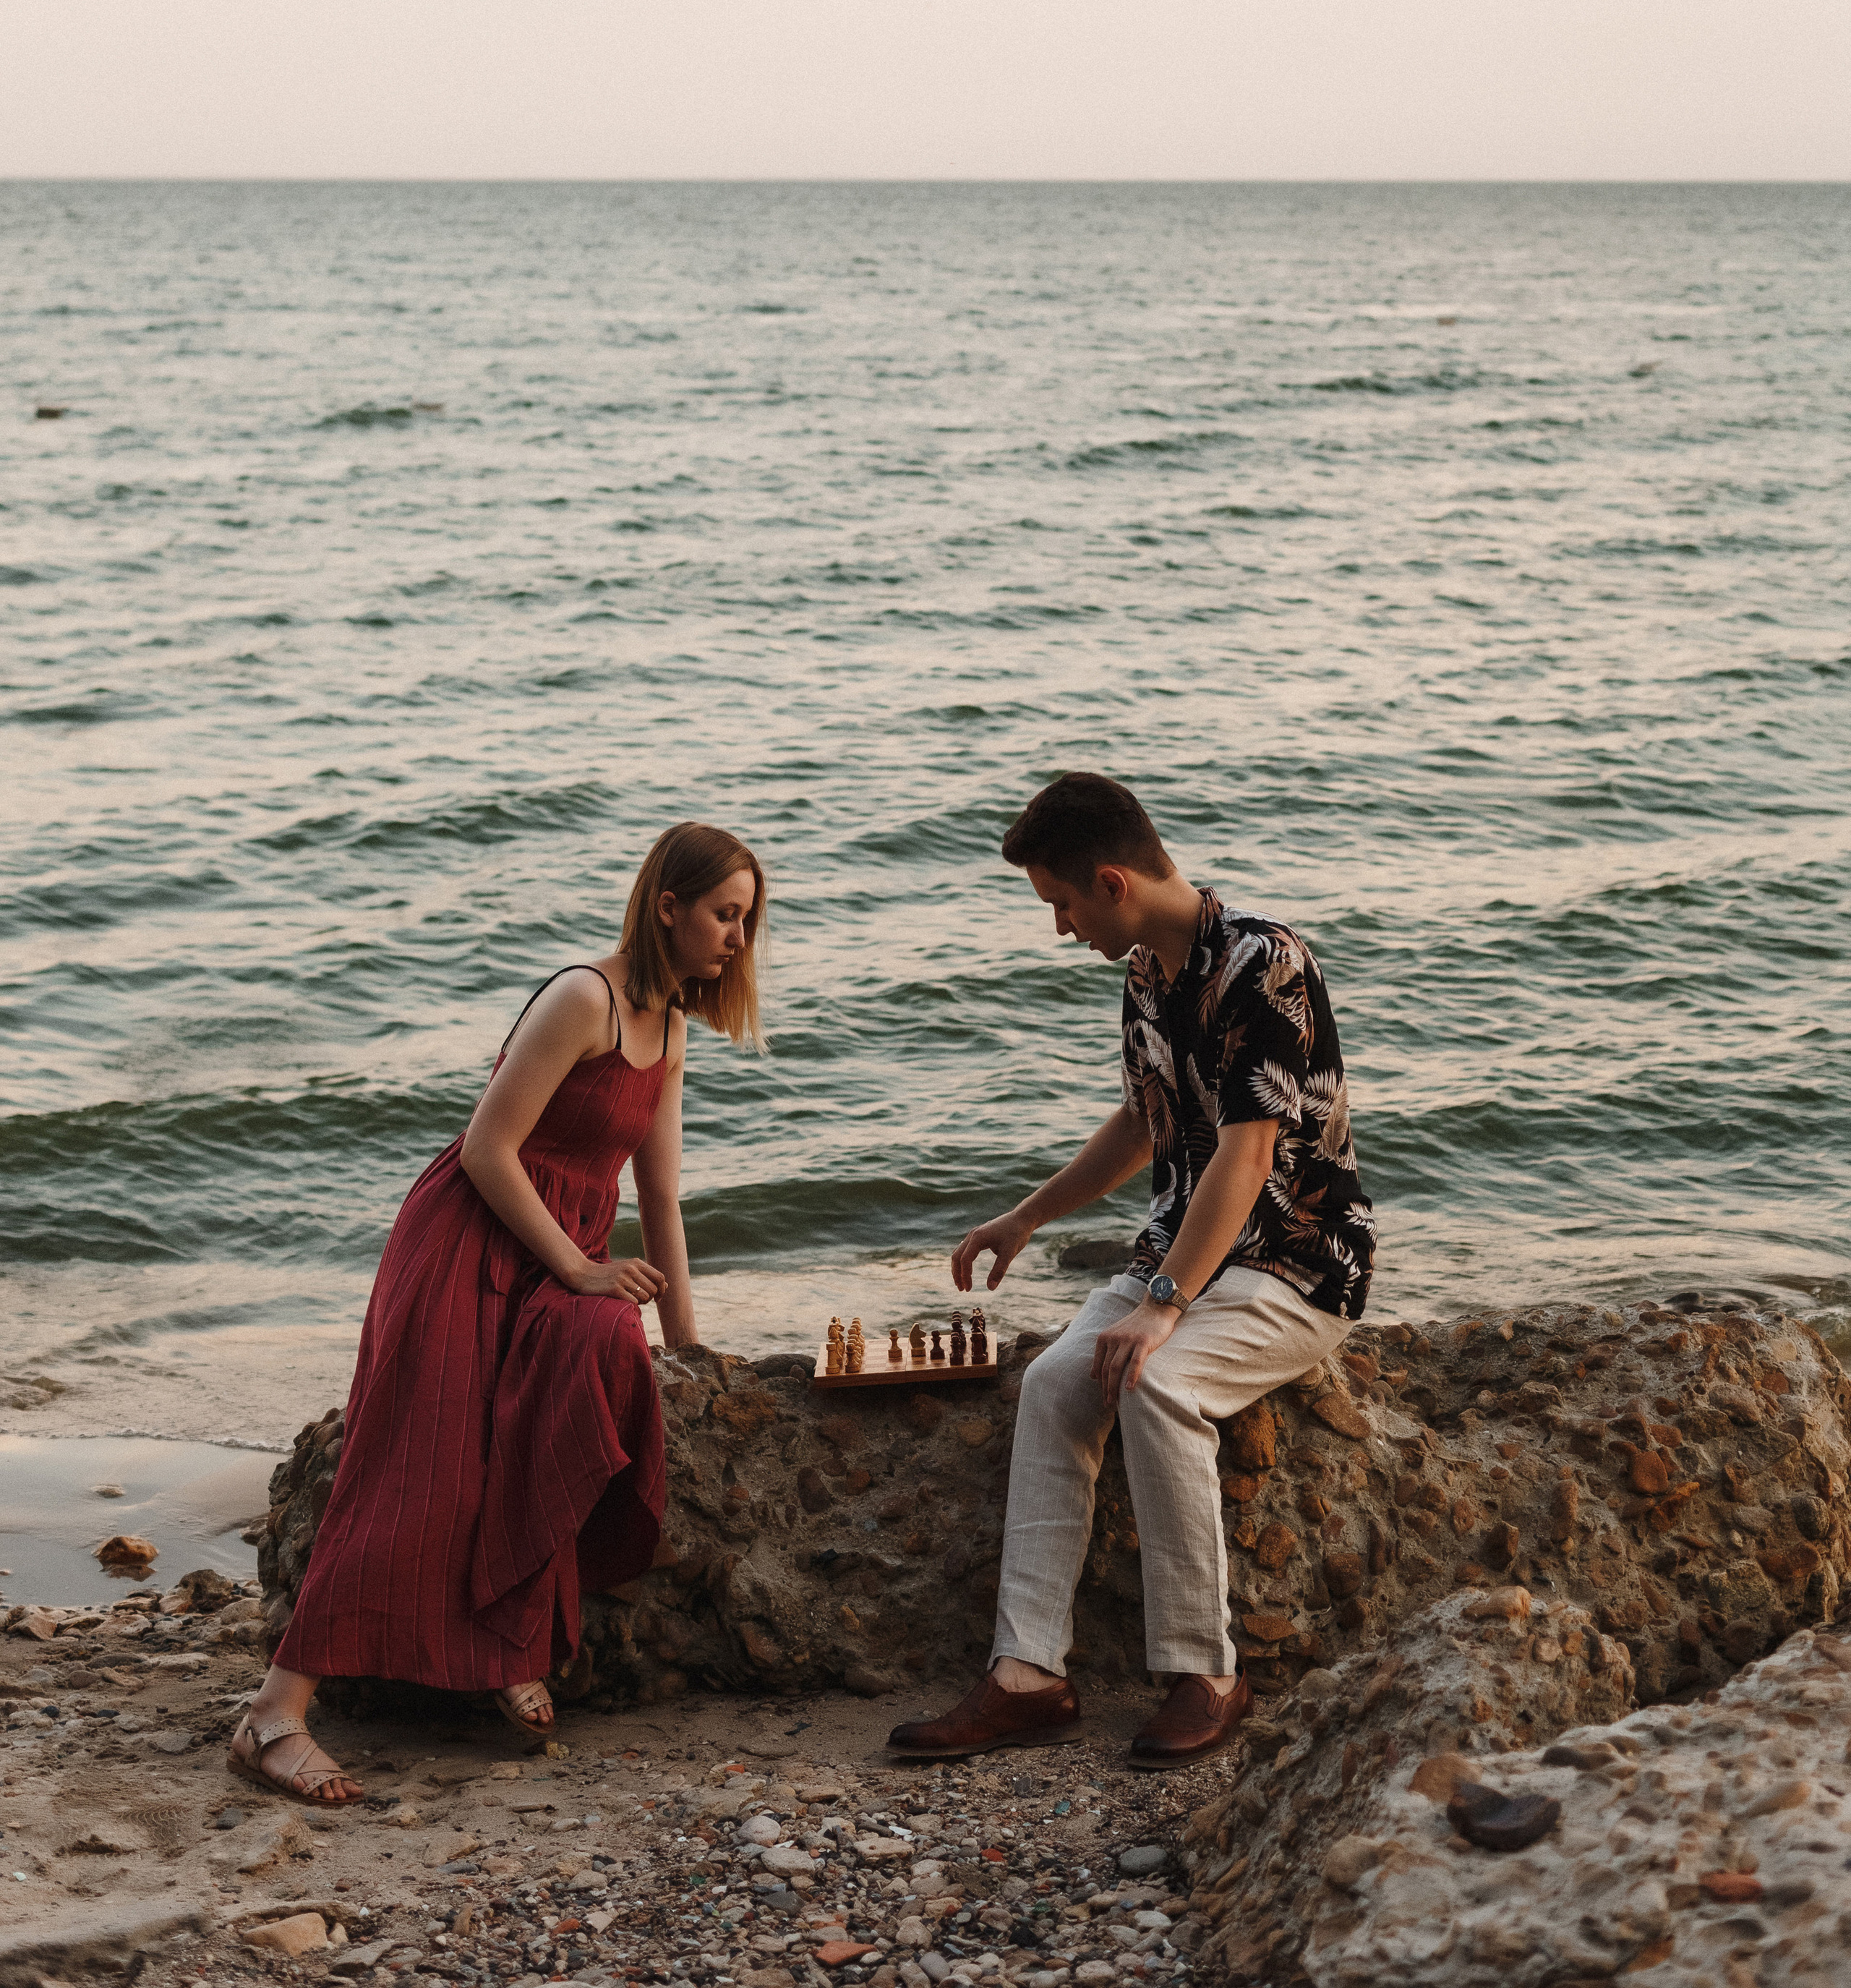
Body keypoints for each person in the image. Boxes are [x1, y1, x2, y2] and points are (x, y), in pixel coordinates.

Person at [228, 822, 767, 1804]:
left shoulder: (671, 1029)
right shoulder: (583, 997)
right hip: (468, 1246)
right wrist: (583, 1267)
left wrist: (687, 1341)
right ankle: (273, 1713)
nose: (740, 937)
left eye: (748, 919)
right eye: (727, 914)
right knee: (415, 1470)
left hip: (557, 1270)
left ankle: (514, 1644)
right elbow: (487, 1149)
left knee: (590, 1377)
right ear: (668, 906)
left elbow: (663, 1196)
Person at [889, 773, 1373, 1770]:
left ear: (1111, 880)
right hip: (1185, 1245)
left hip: (1295, 1257)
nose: (1060, 927)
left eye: (1062, 905)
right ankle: (1028, 1676)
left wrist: (1161, 1307)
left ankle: (1207, 1672)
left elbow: (1245, 1158)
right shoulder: (1149, 974)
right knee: (1055, 1384)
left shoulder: (1265, 964)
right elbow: (1139, 1122)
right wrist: (1028, 1213)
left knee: (1156, 1384)